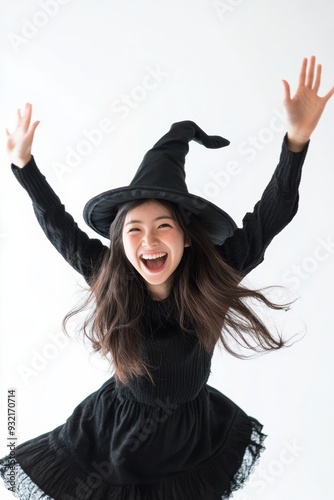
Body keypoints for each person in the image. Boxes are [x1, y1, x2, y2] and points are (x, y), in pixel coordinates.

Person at [0, 56, 333, 500]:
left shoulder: (215, 275)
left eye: (163, 226)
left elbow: (271, 216)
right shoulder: (110, 275)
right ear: (121, 244)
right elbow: (58, 225)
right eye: (134, 230)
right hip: (112, 435)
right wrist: (24, 166)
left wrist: (296, 142)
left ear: (187, 238)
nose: (149, 240)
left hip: (190, 436)